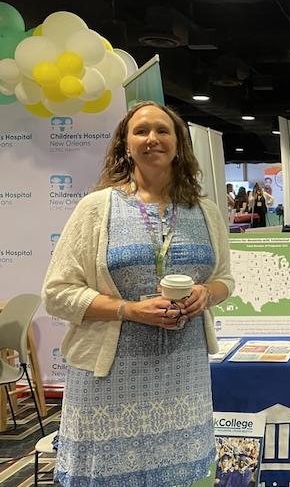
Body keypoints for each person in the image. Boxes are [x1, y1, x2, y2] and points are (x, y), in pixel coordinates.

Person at [42, 101, 234, 486]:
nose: (152, 139)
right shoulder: (97, 208)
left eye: (163, 131)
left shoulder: (206, 211)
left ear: (179, 143)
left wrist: (205, 294)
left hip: (182, 371)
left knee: (179, 475)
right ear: (125, 145)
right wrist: (128, 310)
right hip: (110, 374)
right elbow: (57, 293)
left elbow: (224, 279)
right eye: (141, 131)